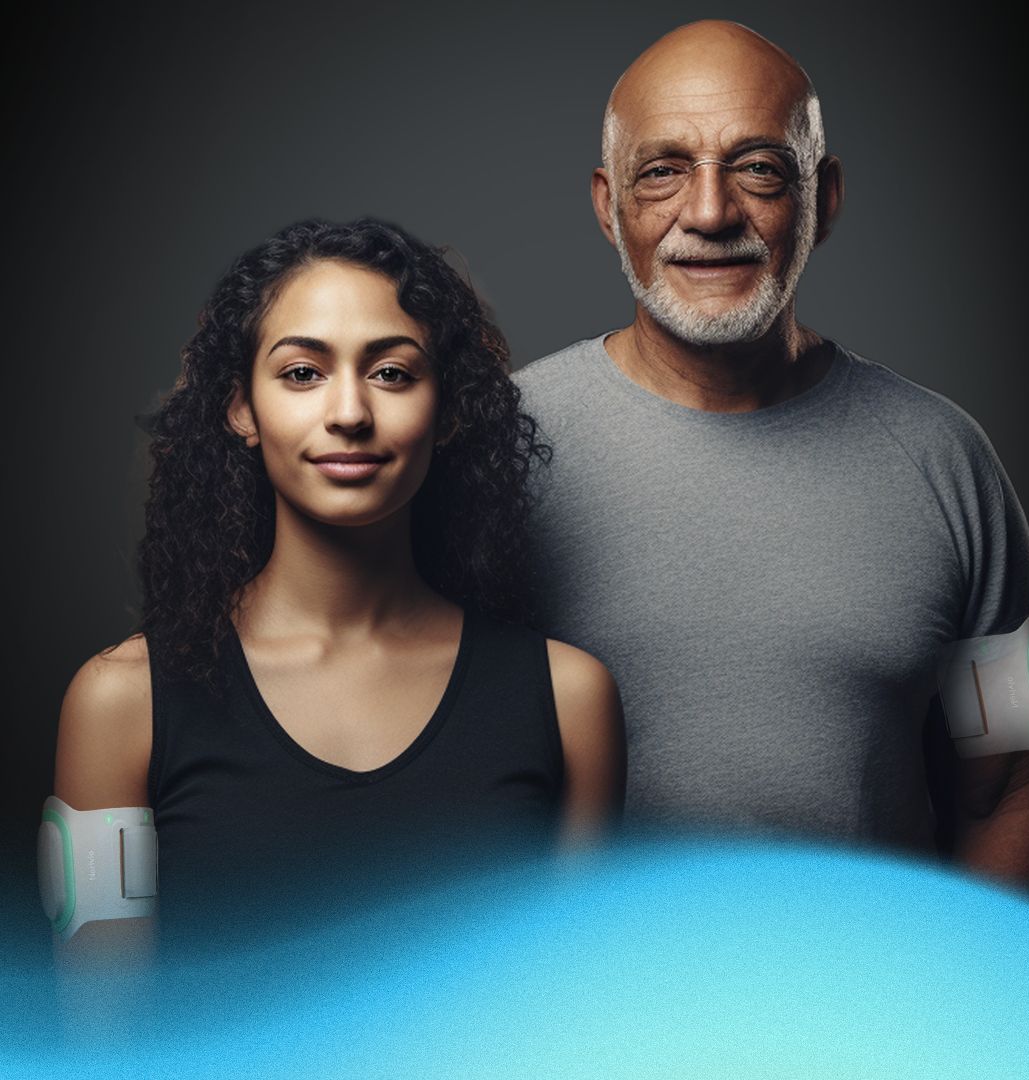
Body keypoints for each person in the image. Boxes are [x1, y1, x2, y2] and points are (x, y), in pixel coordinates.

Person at [514, 21, 1029, 886]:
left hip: (860, 1014)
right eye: (662, 171)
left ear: (826, 195)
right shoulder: (493, 453)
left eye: (759, 167)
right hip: (573, 1013)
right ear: (606, 203)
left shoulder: (948, 462)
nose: (709, 212)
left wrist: (953, 1007)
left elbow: (1020, 785)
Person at [49, 219, 625, 954]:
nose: (350, 413)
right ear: (241, 409)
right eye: (302, 373)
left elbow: (578, 1022)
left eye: (391, 373)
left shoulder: (570, 701)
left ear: (446, 410)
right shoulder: (120, 702)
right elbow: (102, 1046)